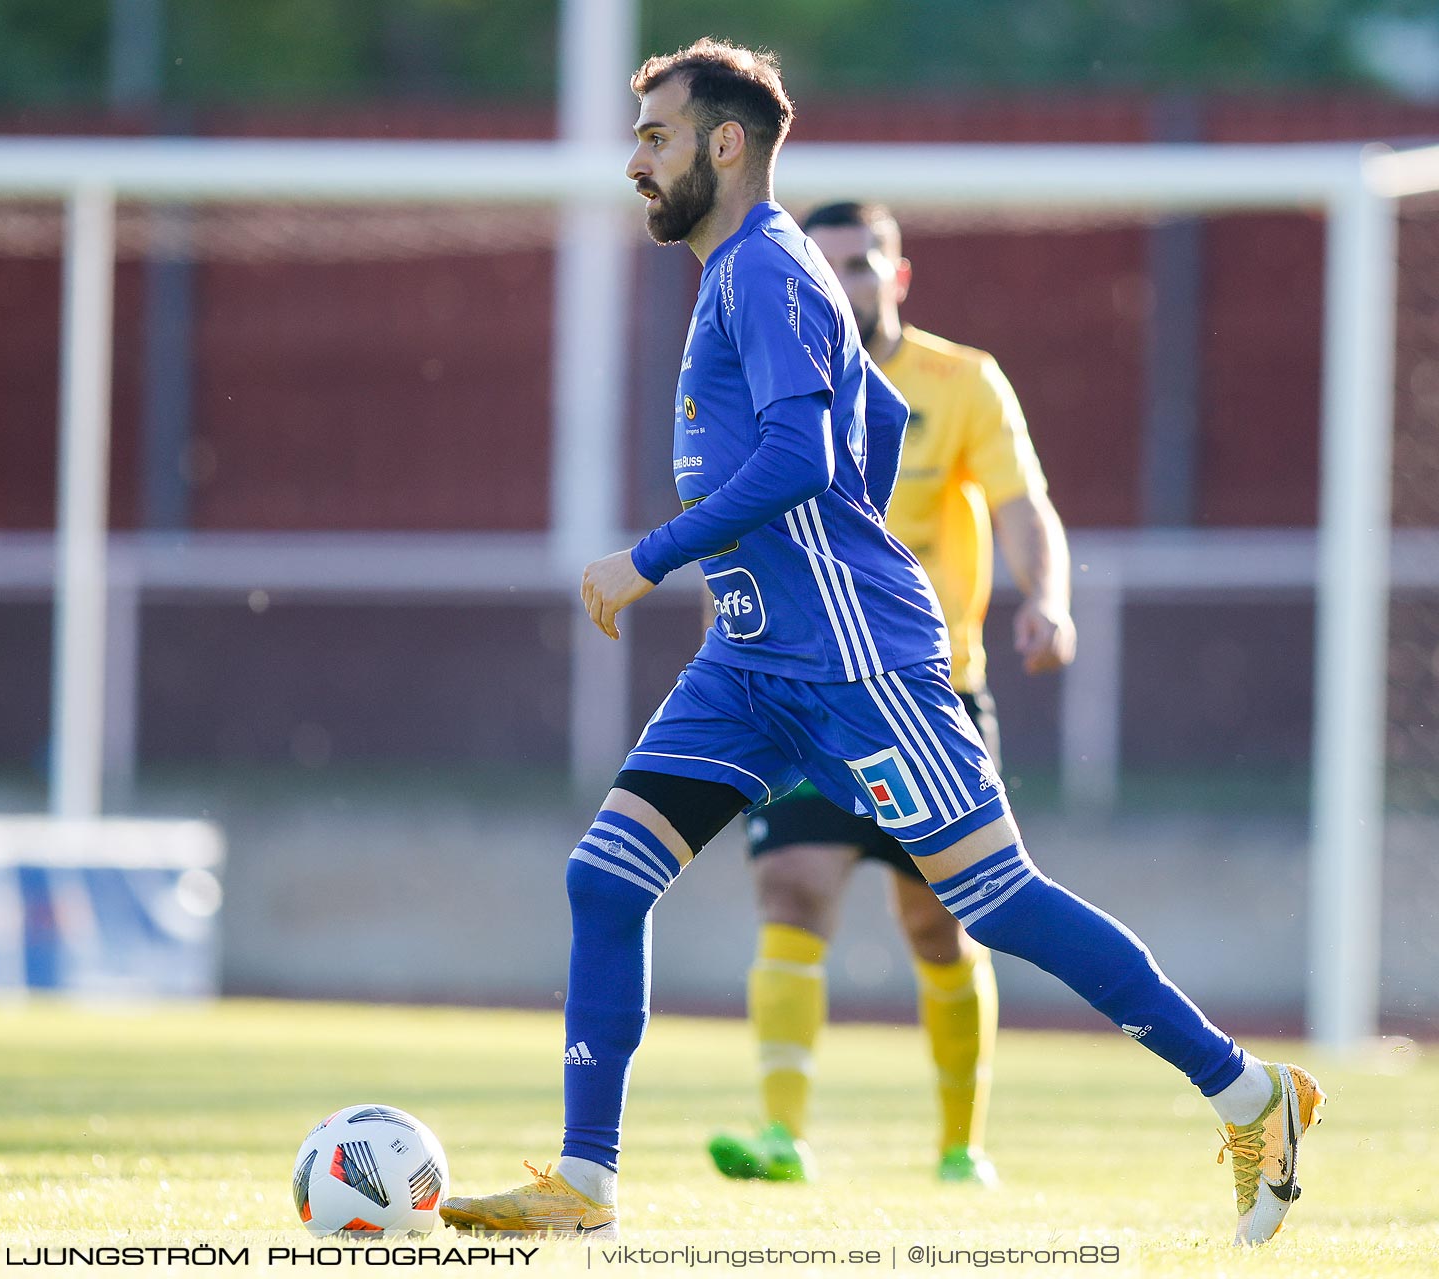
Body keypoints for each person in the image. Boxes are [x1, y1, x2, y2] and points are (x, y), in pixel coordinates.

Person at [438, 38, 1322, 1247]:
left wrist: (647, 558)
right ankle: (586, 1183)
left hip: (856, 661)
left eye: (656, 135)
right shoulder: (745, 272)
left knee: (995, 903)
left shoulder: (762, 268)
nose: (635, 160)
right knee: (607, 875)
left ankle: (1250, 1094)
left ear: (726, 143)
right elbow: (876, 421)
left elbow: (804, 460)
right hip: (751, 664)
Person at [705, 201, 1076, 1189]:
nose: (845, 284)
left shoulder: (963, 384)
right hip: (805, 693)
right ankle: (781, 1133)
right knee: (791, 889)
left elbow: (1019, 504)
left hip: (928, 695)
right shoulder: (772, 385)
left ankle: (962, 1147)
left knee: (942, 923)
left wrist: (1044, 596)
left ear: (897, 277)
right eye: (825, 268)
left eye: (863, 265)